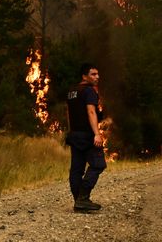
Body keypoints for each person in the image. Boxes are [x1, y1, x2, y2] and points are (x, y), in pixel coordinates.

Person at [66, 63, 107, 212]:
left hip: (75, 135)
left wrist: (71, 132)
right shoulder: (89, 91)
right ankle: (83, 198)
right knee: (98, 164)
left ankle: (78, 201)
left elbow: (68, 113)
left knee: (77, 169)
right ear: (84, 76)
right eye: (93, 74)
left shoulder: (72, 91)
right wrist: (97, 134)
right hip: (87, 135)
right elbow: (91, 112)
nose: (97, 77)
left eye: (97, 74)